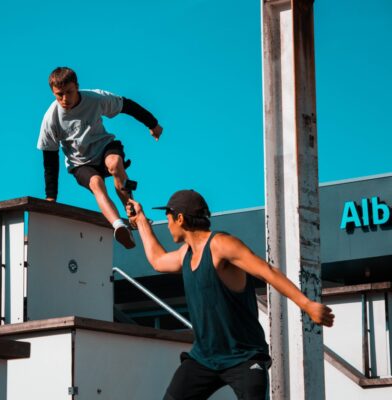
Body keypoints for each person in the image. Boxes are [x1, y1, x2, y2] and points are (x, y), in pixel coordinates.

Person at [127, 190, 335, 400]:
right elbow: (157, 260)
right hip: (204, 358)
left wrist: (307, 304)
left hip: (244, 357)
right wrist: (141, 221)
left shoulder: (221, 245)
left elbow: (266, 271)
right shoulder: (185, 254)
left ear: (179, 218)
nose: (168, 224)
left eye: (168, 218)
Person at [37, 66, 163, 249]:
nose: (65, 99)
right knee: (96, 183)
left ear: (77, 86)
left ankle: (131, 213)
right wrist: (51, 197)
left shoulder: (95, 99)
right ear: (53, 93)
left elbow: (126, 105)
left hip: (104, 147)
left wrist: (153, 124)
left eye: (69, 92)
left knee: (115, 164)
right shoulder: (51, 118)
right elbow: (50, 159)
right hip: (80, 163)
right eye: (59, 95)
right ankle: (119, 226)